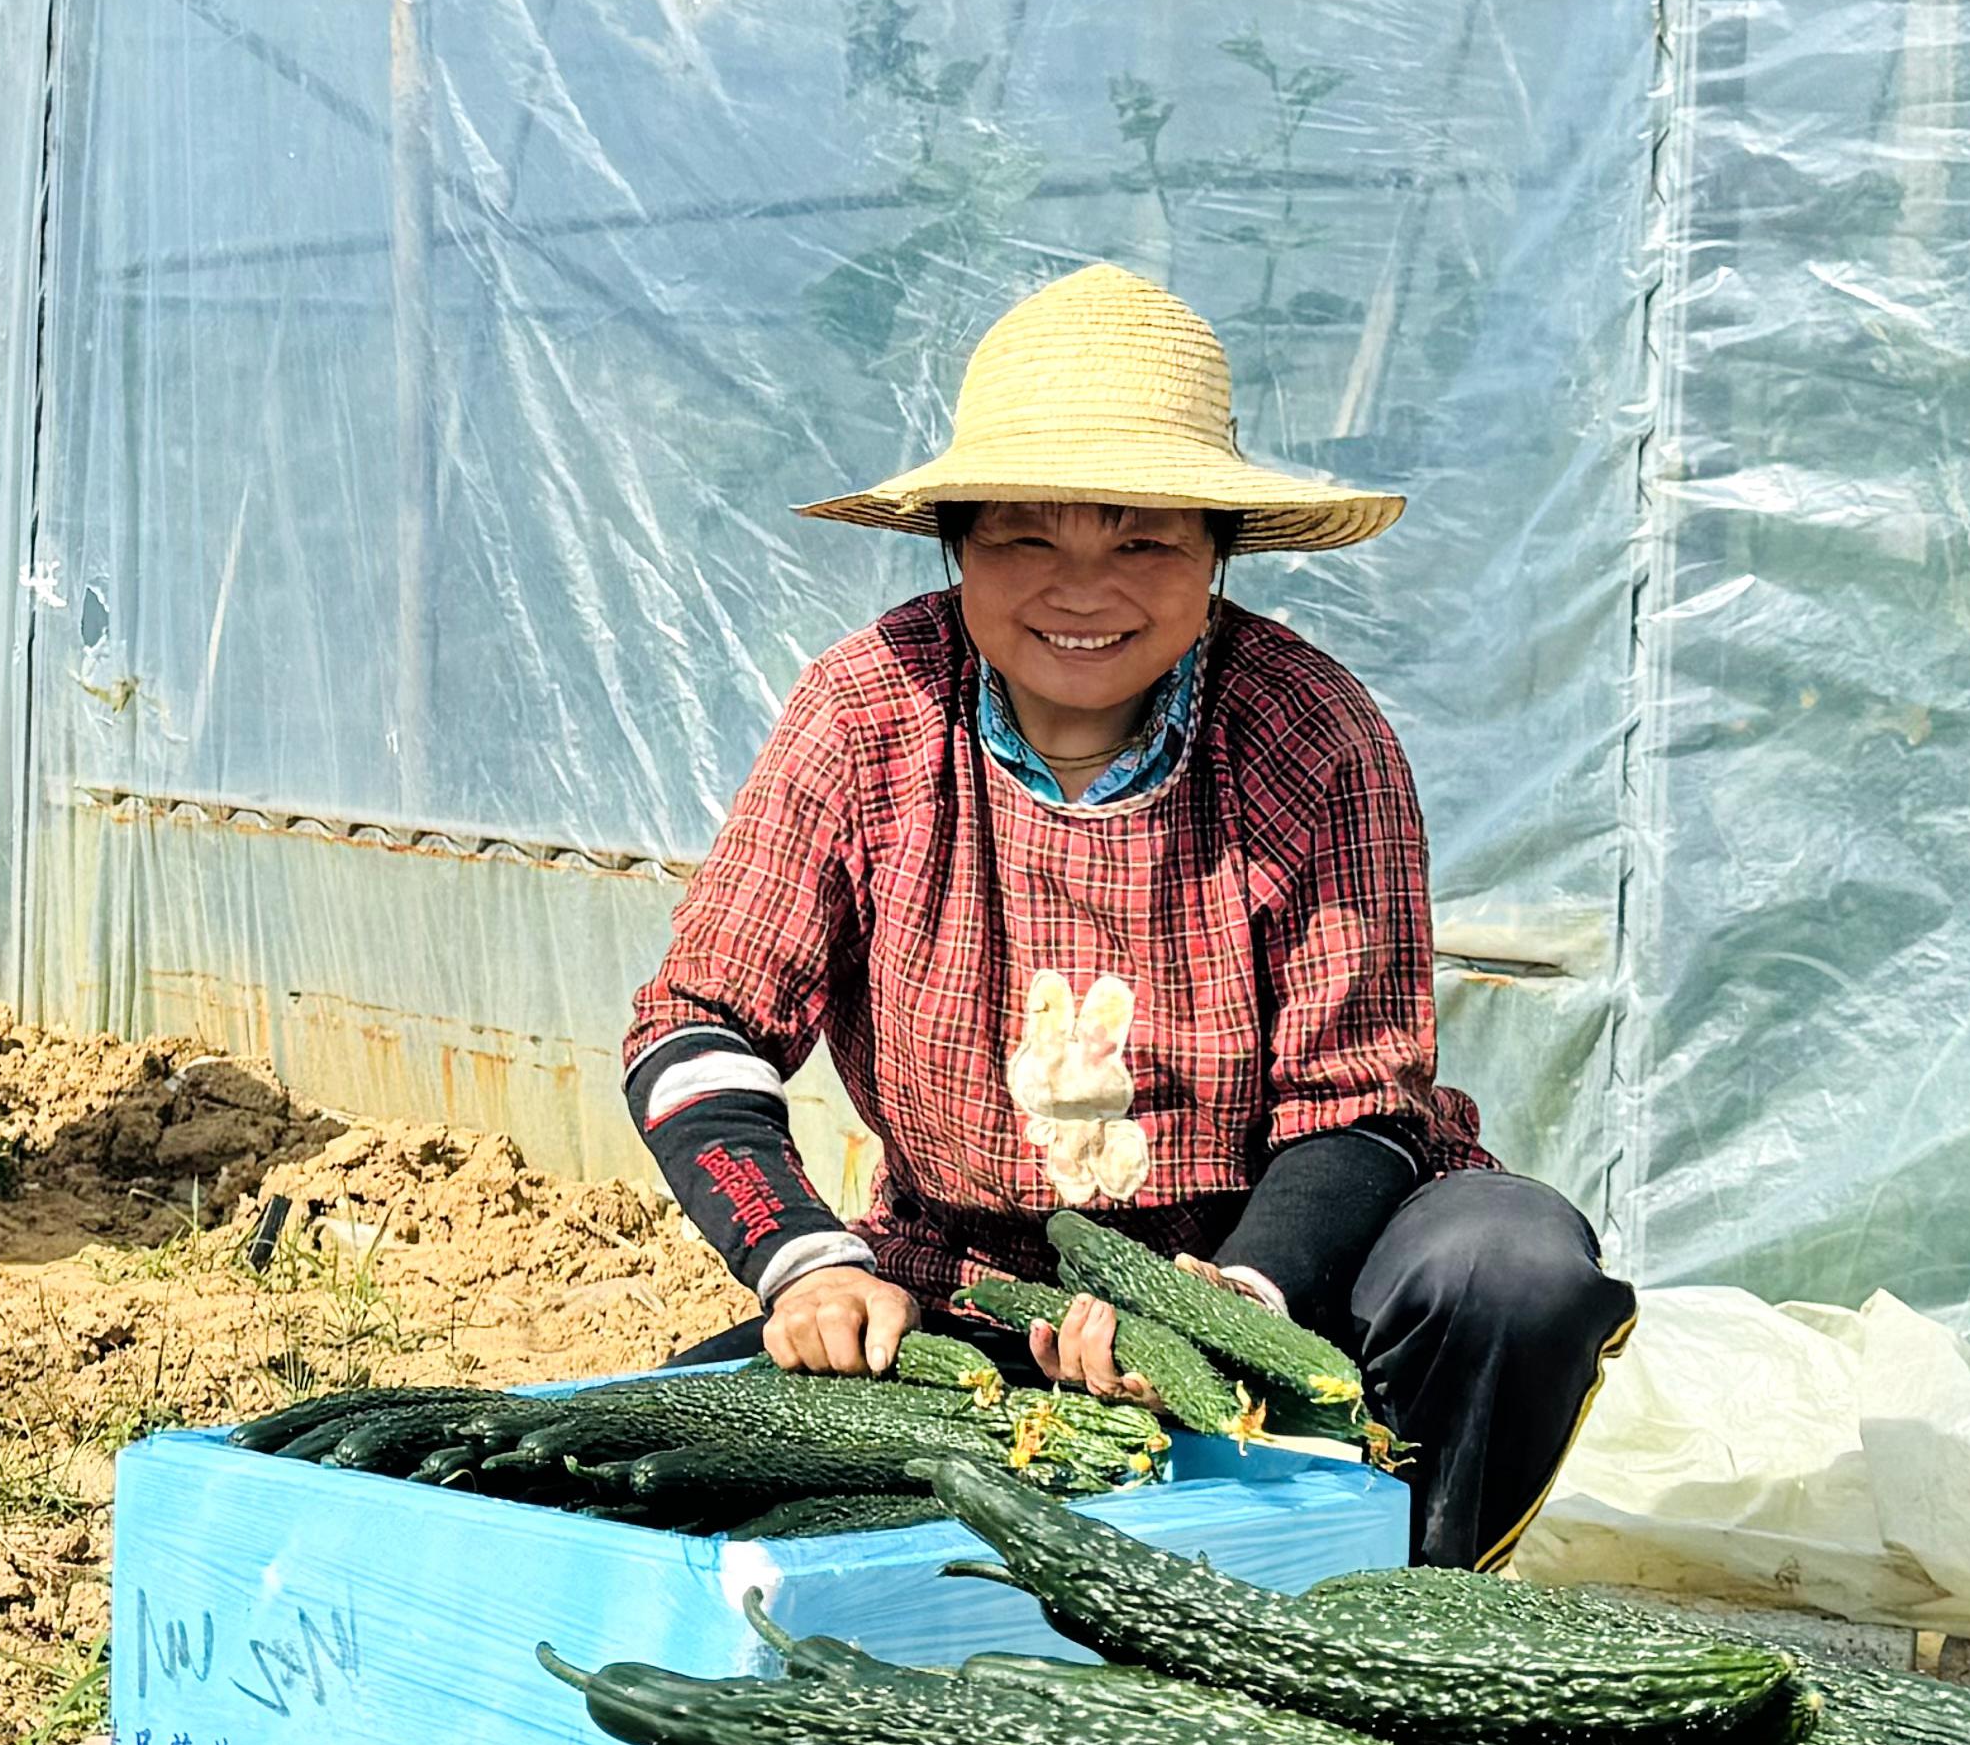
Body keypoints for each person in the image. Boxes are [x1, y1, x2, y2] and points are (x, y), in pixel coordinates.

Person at [623, 264, 1628, 1577]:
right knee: (643, 1464)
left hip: (1285, 1279)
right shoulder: (868, 715)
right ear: (957, 547)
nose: (1080, 588)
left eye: (1141, 538)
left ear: (1217, 555)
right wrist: (805, 1262)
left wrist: (1239, 1299)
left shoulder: (1315, 740)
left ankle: (1397, 1608)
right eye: (1025, 538)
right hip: (975, 1284)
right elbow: (698, 1024)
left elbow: (1356, 1107)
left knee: (1512, 1267)